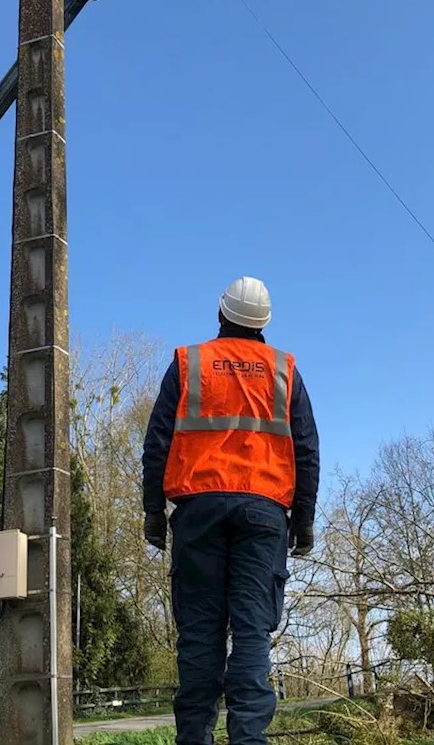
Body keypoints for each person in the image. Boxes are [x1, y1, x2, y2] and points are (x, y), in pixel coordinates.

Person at [141, 276, 320, 745]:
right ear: (264, 325)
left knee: (200, 635)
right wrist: (303, 520)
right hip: (263, 515)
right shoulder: (284, 370)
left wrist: (153, 513)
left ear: (220, 314)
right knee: (251, 631)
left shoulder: (189, 363)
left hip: (198, 511)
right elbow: (306, 448)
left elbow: (157, 441)